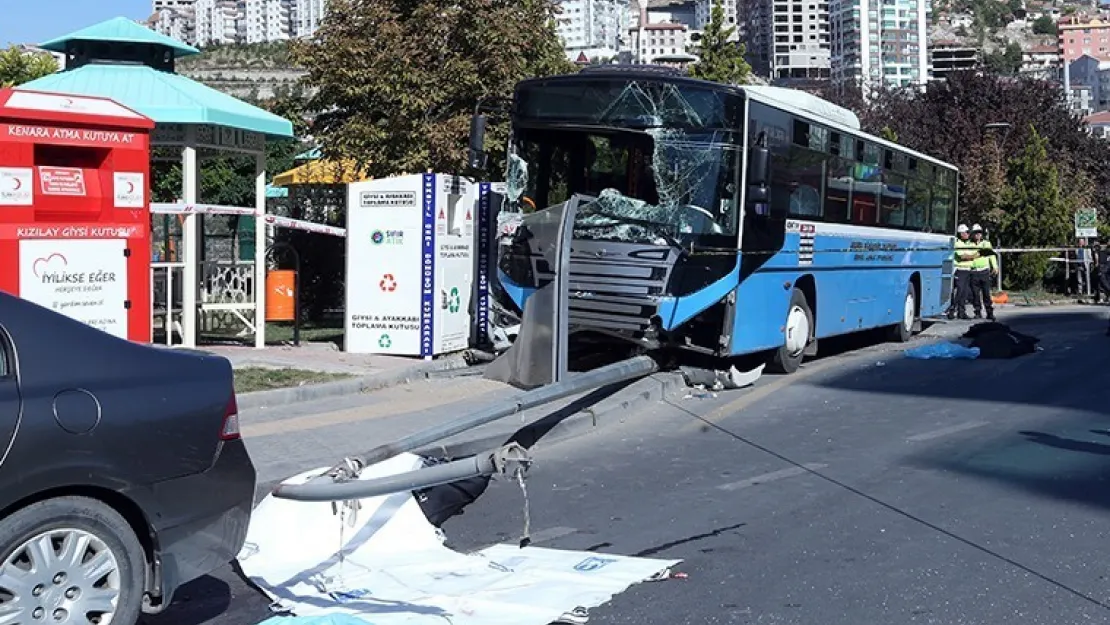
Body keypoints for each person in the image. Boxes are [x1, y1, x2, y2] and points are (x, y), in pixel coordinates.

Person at [948, 224, 977, 320]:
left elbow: (972, 254)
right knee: (959, 292)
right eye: (966, 232)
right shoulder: (957, 243)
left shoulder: (968, 244)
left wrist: (971, 256)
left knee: (964, 293)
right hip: (960, 270)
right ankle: (951, 310)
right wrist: (973, 256)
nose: (968, 234)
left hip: (968, 270)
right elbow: (963, 257)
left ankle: (962, 312)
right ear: (961, 234)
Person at [969, 224, 998, 320]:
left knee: (986, 293)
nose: (978, 235)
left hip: (984, 271)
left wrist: (995, 266)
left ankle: (989, 312)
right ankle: (977, 312)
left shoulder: (986, 243)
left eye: (979, 233)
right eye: (976, 233)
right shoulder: (969, 244)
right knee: (975, 294)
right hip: (974, 271)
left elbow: (991, 256)